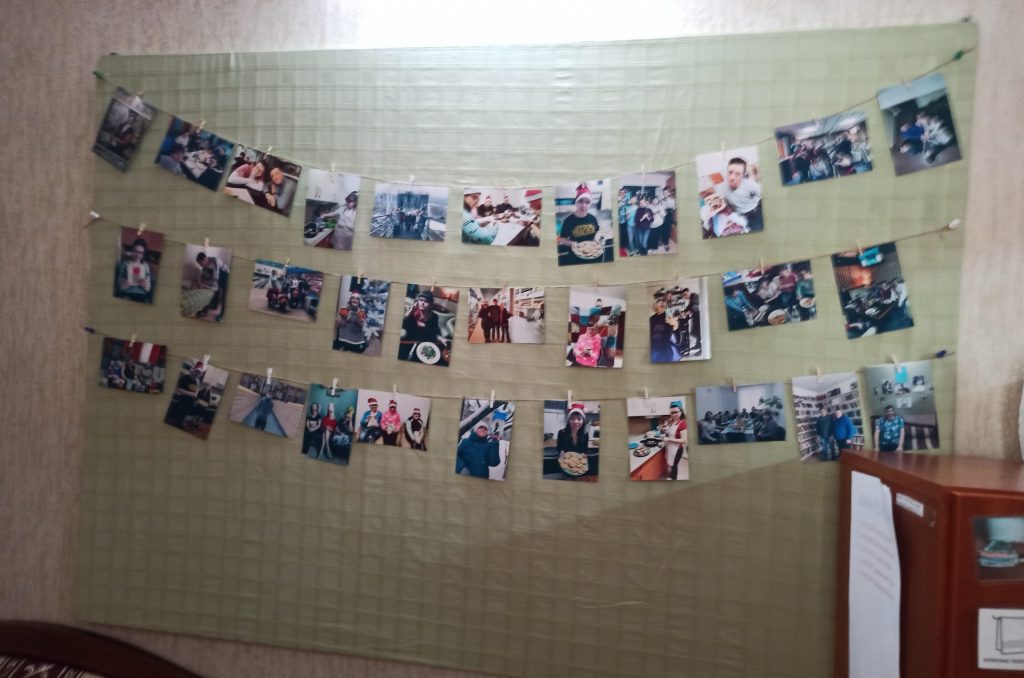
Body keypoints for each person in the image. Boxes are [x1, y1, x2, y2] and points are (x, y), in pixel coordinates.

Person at [400, 290, 448, 364]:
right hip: (411, 341)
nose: (422, 303)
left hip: (426, 342)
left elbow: (435, 333)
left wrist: (442, 339)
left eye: (426, 301)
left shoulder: (434, 316)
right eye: (421, 300)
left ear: (430, 304)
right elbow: (403, 324)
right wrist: (410, 310)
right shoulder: (413, 313)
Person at [720, 157, 763, 232]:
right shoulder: (721, 188)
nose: (732, 177)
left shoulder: (750, 185)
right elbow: (726, 205)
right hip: (741, 216)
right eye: (730, 172)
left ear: (742, 175)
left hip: (755, 211)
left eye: (737, 174)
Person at [557, 190, 602, 258]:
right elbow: (562, 239)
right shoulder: (568, 221)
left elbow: (598, 230)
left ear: (590, 205)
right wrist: (572, 243)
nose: (584, 205)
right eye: (580, 201)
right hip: (576, 254)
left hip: (592, 252)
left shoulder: (592, 218)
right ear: (576, 203)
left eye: (587, 202)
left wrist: (596, 238)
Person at [116, 237, 153, 303]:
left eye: (140, 252)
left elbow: (148, 288)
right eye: (135, 251)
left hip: (141, 294)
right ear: (132, 251)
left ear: (143, 254)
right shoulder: (124, 263)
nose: (137, 255)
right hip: (126, 292)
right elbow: (118, 284)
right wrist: (123, 283)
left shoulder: (145, 265)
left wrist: (145, 285)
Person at [659, 401, 688, 480]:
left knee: (674, 466)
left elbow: (684, 440)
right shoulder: (672, 421)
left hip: (677, 449)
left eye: (676, 412)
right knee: (671, 464)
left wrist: (668, 439)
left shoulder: (683, 423)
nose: (673, 415)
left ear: (681, 411)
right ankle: (671, 476)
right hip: (670, 447)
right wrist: (665, 430)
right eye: (672, 413)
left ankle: (673, 479)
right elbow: (671, 431)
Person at [649, 298, 678, 363]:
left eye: (664, 306)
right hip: (654, 346)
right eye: (661, 306)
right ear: (656, 307)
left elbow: (674, 328)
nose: (663, 307)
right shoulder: (651, 319)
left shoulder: (668, 316)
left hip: (665, 346)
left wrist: (675, 323)